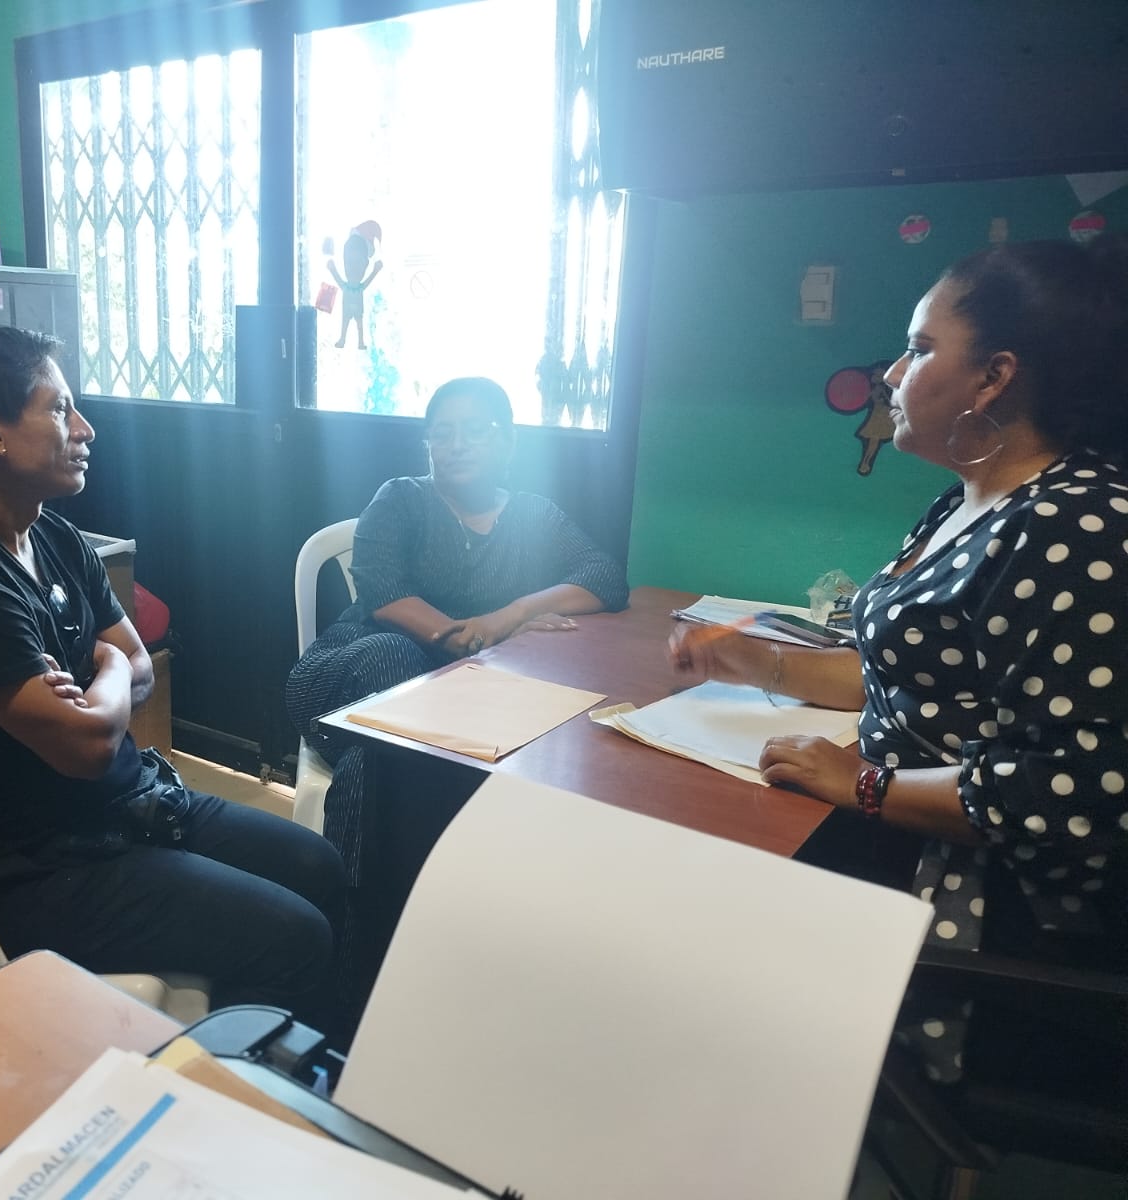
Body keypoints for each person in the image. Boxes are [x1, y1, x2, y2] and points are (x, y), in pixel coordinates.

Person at [669, 236, 1128, 1081]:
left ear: (993, 377)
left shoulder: (1076, 527)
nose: (889, 374)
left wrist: (864, 784)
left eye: (918, 349)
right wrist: (754, 663)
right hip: (898, 837)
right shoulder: (967, 502)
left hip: (982, 909)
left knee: (689, 923)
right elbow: (904, 680)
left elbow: (1065, 791)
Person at [0, 324, 345, 1020]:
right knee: (296, 937)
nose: (85, 429)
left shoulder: (51, 533)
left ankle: (277, 1042)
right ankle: (225, 1069)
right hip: (45, 868)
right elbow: (91, 746)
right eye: (59, 409)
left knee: (319, 866)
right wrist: (106, 676)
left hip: (134, 805)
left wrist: (99, 682)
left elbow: (139, 666)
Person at [287, 376, 630, 888]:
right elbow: (384, 594)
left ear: (508, 441)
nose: (456, 444)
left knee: (376, 766)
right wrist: (485, 638)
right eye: (442, 433)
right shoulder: (401, 499)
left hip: (463, 713)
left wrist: (512, 613)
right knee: (393, 659)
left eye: (475, 430)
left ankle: (357, 927)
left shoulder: (534, 515)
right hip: (352, 680)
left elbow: (605, 579)